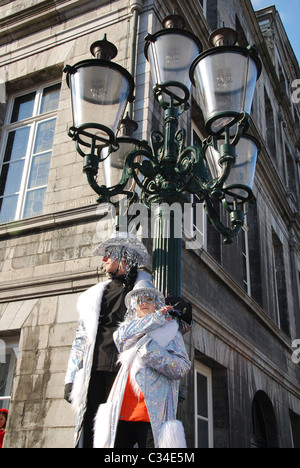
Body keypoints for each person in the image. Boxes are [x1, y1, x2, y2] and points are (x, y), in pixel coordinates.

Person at [64, 232, 151, 448]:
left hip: (123, 377)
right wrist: (70, 378)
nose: (103, 259)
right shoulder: (94, 296)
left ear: (124, 256)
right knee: (91, 436)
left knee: (117, 438)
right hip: (93, 375)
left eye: (108, 254)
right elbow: (80, 341)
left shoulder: (146, 294)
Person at [93, 280, 191, 449]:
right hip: (122, 415)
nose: (143, 302)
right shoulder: (126, 332)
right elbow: (121, 338)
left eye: (149, 298)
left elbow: (182, 367)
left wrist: (152, 353)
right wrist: (157, 318)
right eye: (138, 300)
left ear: (157, 303)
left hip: (153, 416)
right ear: (133, 307)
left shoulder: (171, 334)